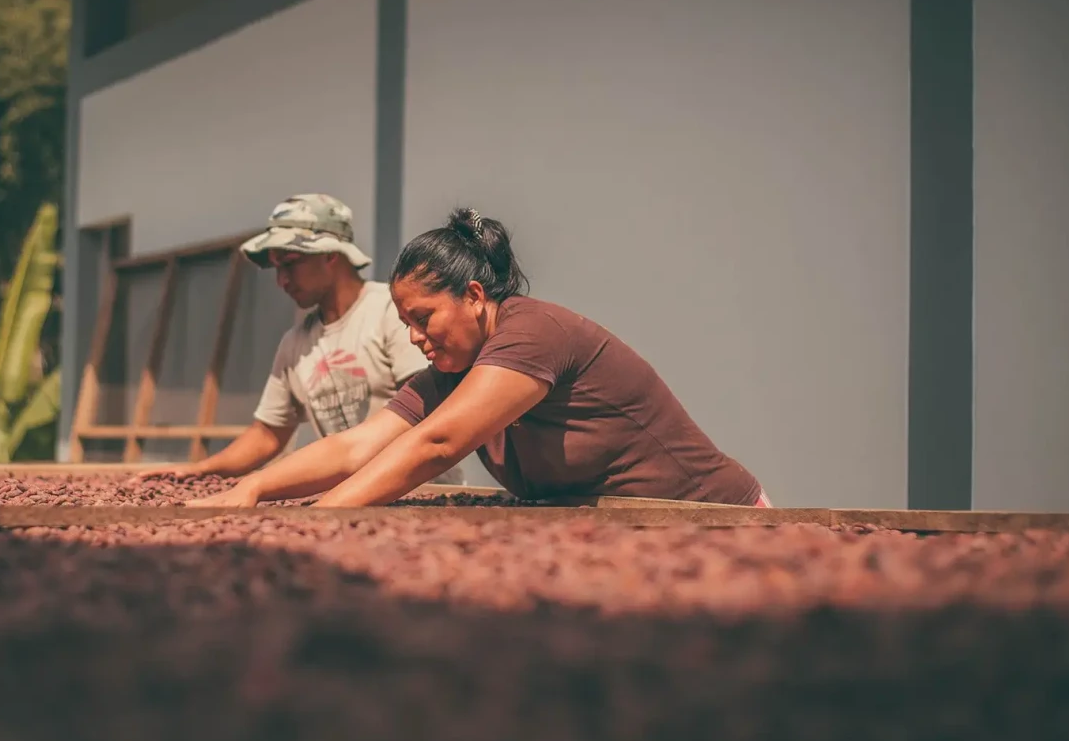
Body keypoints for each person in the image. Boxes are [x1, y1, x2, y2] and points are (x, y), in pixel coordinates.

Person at [187, 207, 769, 509]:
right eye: (406, 322)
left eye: (424, 318)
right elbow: (357, 446)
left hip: (718, 517)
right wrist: (255, 492)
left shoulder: (533, 331)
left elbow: (437, 445)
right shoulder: (450, 374)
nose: (415, 336)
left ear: (472, 297)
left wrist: (317, 521)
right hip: (623, 531)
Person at [130, 193, 463, 486]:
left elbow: (424, 412)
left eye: (290, 264)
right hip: (347, 497)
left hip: (420, 491)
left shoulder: (392, 313)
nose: (282, 281)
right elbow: (267, 434)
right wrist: (202, 470)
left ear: (331, 255)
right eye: (276, 268)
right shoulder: (295, 343)